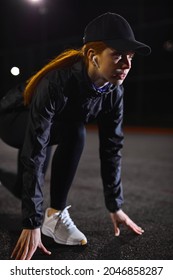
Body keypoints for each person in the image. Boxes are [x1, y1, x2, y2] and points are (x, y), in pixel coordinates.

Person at [0, 12, 151, 260]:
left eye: (130, 57)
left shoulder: (114, 92)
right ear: (93, 56)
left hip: (52, 127)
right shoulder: (57, 83)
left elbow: (112, 147)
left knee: (22, 188)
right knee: (72, 131)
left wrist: (115, 205)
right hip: (13, 122)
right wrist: (31, 222)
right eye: (117, 55)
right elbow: (35, 150)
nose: (127, 65)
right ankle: (48, 216)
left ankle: (53, 215)